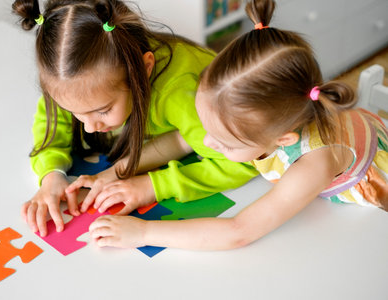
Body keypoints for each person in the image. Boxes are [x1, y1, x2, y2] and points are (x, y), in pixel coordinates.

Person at [88, 0, 388, 251]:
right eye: (208, 128)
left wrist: (143, 234)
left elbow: (239, 231)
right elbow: (182, 140)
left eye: (226, 143)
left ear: (283, 140)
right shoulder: (264, 124)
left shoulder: (312, 166)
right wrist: (119, 169)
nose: (208, 142)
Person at [12, 0, 258, 236]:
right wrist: (51, 175)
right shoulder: (71, 78)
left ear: (144, 69)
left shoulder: (181, 92)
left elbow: (241, 160)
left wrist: (153, 186)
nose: (88, 127)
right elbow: (51, 126)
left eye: (103, 110)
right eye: (75, 111)